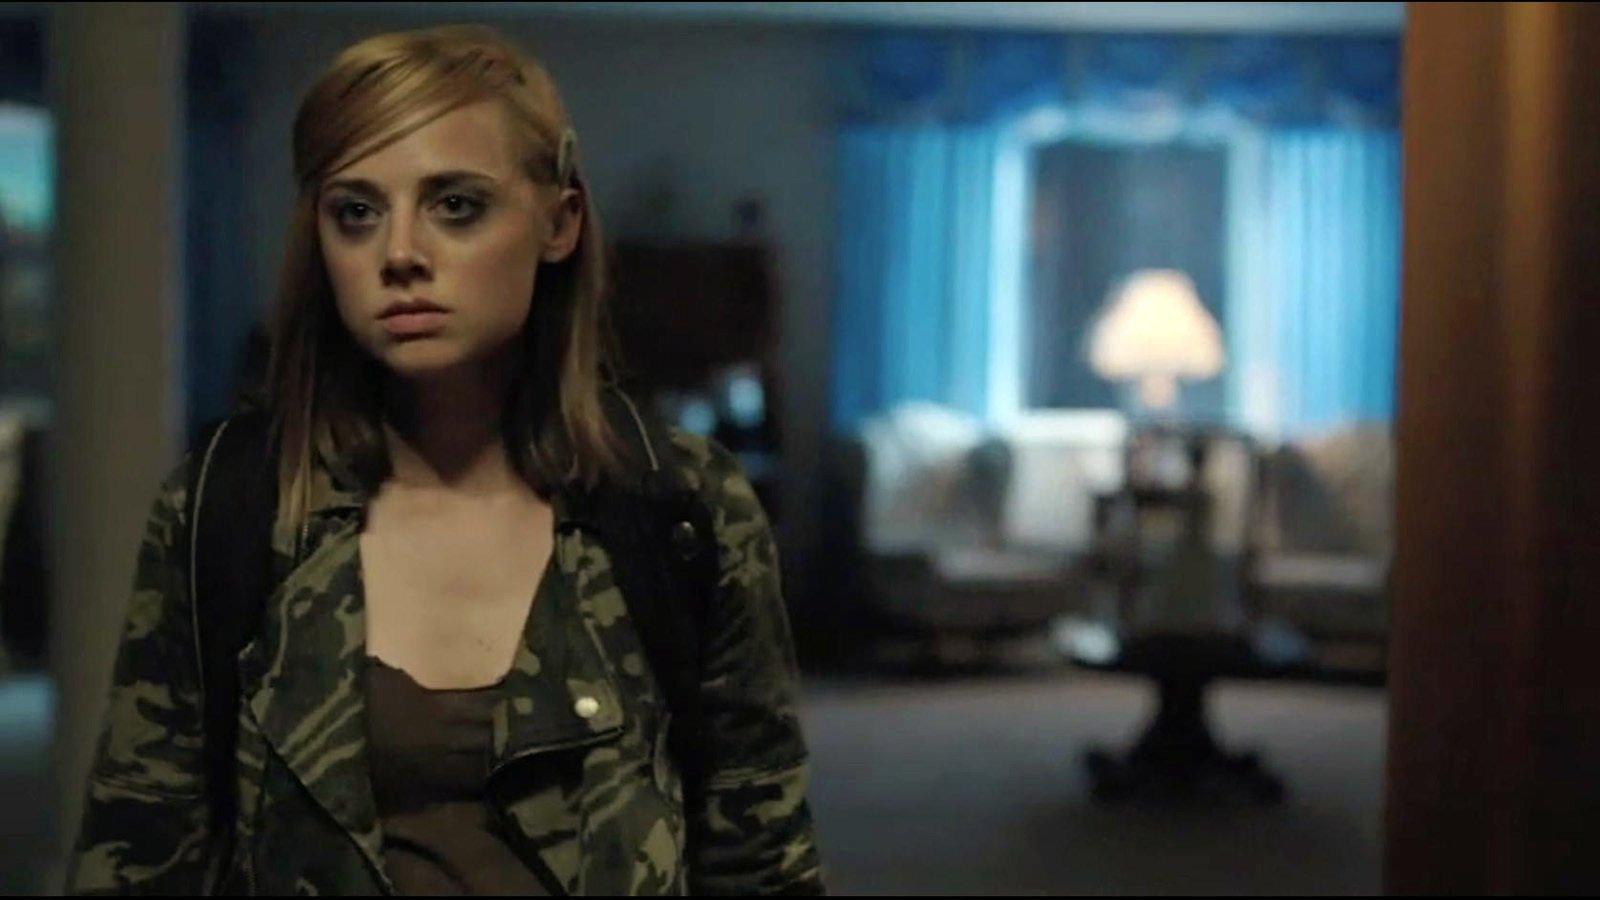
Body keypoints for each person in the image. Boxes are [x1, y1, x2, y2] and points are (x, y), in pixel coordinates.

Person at [65, 24, 824, 896]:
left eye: (456, 205)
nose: (399, 255)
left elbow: (763, 859)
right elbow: (136, 855)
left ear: (559, 221)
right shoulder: (235, 507)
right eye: (356, 212)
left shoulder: (681, 505)